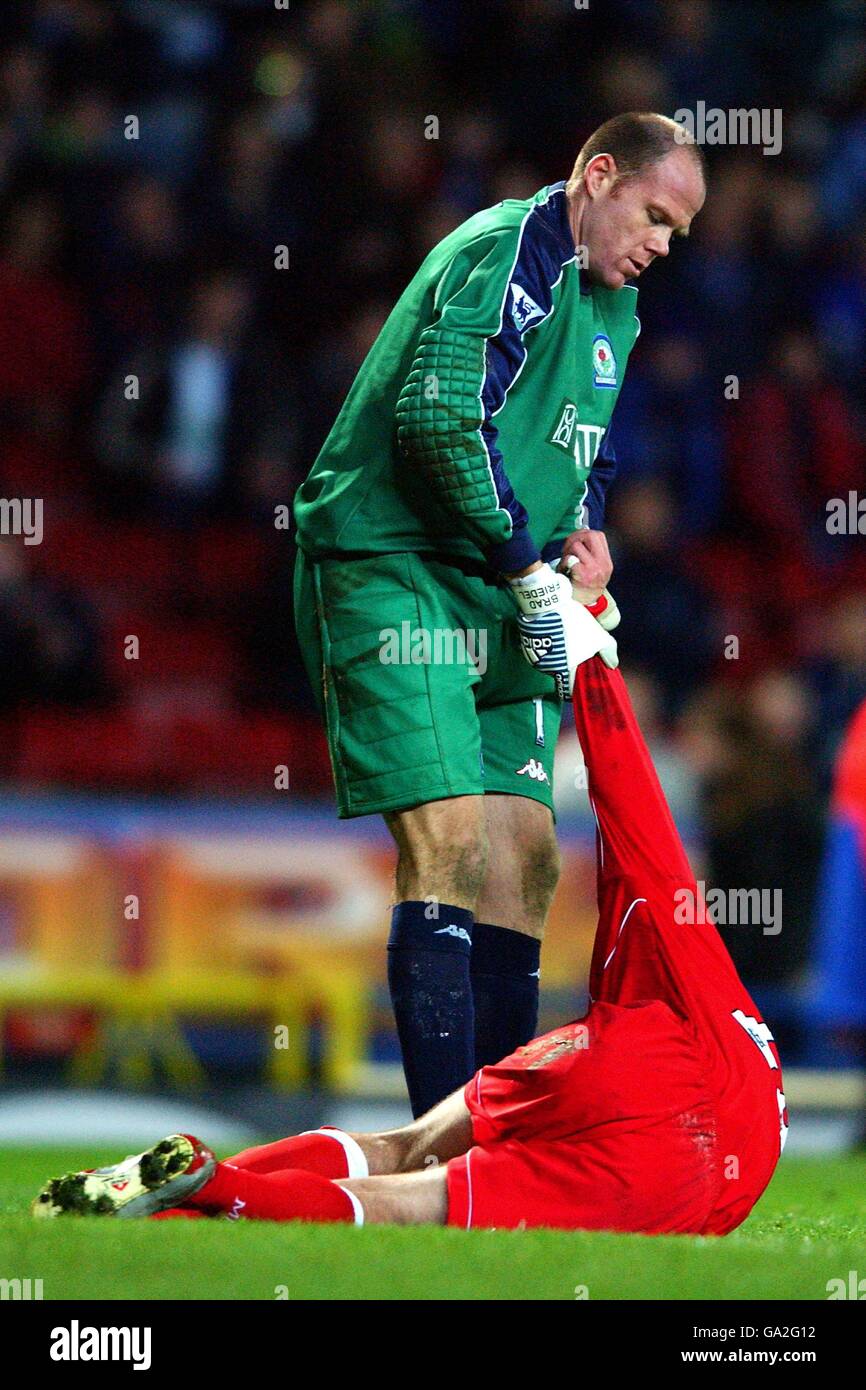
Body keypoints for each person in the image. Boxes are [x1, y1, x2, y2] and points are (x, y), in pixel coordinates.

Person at [33, 655, 786, 1235]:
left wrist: (593, 654)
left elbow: (633, 803)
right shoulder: (749, 1121)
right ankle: (207, 1184)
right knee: (403, 1205)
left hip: (635, 1050)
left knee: (403, 1144)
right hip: (681, 1171)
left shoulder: (699, 969)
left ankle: (163, 1191)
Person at [292, 112, 707, 1116]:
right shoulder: (510, 248)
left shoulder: (616, 310)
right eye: (653, 216)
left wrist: (583, 535)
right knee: (449, 842)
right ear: (597, 176)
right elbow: (439, 423)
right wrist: (529, 572)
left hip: (496, 577)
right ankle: (447, 1149)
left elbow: (581, 449)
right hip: (395, 564)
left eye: (677, 235)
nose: (660, 244)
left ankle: (493, 1135)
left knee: (522, 859)